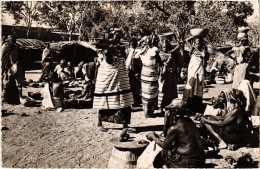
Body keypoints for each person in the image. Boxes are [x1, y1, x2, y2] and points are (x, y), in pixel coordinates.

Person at [93, 32, 134, 132]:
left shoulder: (121, 48)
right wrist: (107, 50)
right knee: (104, 99)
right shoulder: (105, 50)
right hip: (107, 78)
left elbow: (123, 59)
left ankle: (125, 125)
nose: (116, 40)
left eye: (118, 38)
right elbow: (109, 61)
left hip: (120, 77)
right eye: (114, 38)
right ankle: (99, 123)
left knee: (124, 99)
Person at [146, 99, 205, 168]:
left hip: (188, 161)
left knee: (162, 156)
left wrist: (153, 136)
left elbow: (165, 146)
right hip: (200, 159)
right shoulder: (190, 121)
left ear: (172, 113)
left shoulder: (175, 127)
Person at [183, 35, 209, 114]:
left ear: (201, 44)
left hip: (199, 72)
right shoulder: (192, 50)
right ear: (194, 43)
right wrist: (194, 35)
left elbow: (204, 64)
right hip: (191, 72)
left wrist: (203, 56)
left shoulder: (203, 52)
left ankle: (197, 106)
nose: (197, 45)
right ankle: (190, 105)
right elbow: (186, 40)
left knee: (198, 88)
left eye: (199, 43)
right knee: (190, 86)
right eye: (196, 43)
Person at [138, 35, 162, 118]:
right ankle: (148, 112)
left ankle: (147, 111)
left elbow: (138, 55)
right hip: (150, 73)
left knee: (147, 92)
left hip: (146, 73)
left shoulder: (148, 50)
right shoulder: (153, 50)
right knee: (150, 92)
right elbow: (160, 61)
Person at [2, 35, 25, 104]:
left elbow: (19, 56)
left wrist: (18, 64)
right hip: (7, 66)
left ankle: (18, 97)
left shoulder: (16, 47)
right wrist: (6, 66)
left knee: (19, 81)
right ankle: (5, 98)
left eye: (14, 40)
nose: (13, 42)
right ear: (8, 40)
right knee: (7, 81)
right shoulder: (4, 47)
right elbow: (3, 57)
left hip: (16, 66)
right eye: (11, 40)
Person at [158, 40, 178, 113]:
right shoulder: (160, 54)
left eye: (166, 47)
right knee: (162, 90)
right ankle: (161, 106)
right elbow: (162, 64)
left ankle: (171, 106)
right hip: (163, 74)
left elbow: (178, 46)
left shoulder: (171, 54)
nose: (165, 48)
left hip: (171, 75)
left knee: (171, 91)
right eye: (163, 47)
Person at [125, 37, 142, 106]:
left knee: (136, 87)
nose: (133, 45)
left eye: (134, 44)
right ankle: (134, 101)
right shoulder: (129, 51)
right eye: (132, 44)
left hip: (136, 71)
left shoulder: (137, 51)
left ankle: (136, 101)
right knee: (133, 86)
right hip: (131, 71)